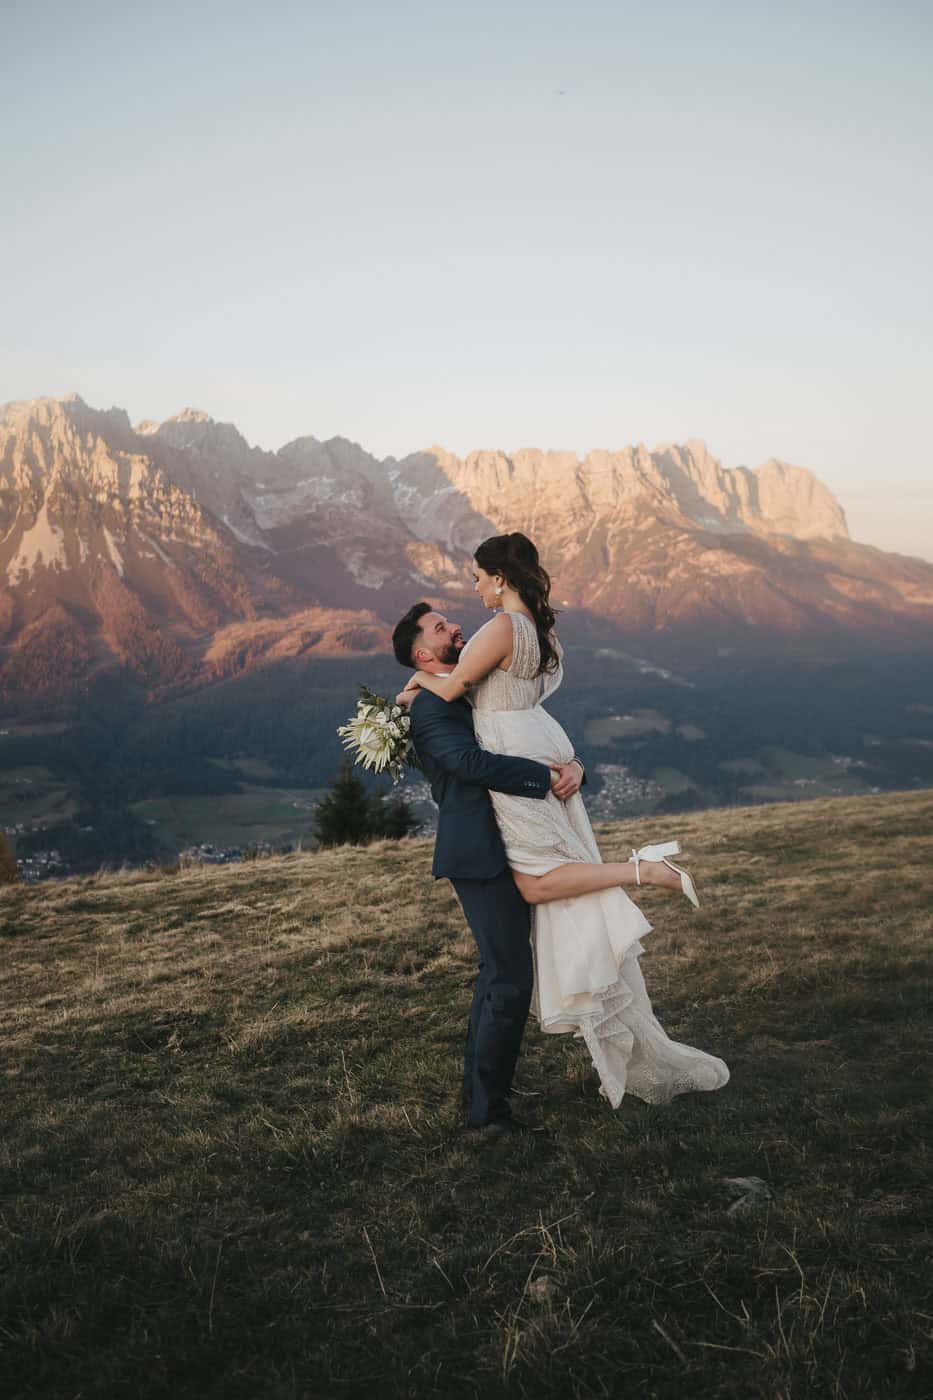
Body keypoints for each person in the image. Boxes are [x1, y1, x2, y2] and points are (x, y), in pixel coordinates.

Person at [394, 532, 729, 1110]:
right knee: (531, 911)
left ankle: (641, 871)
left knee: (530, 901)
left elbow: (455, 699)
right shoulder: (538, 634)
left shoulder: (495, 634)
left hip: (525, 764)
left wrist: (414, 686)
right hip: (530, 760)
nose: (469, 596)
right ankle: (637, 876)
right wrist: (566, 761)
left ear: (500, 578)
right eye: (441, 627)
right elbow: (486, 721)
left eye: (476, 577)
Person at [391, 604, 585, 1136]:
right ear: (423, 654)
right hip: (478, 851)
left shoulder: (459, 687)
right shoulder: (431, 709)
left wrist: (574, 766)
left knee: (499, 974)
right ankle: (488, 1115)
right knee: (509, 979)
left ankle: (482, 1096)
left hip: (504, 843)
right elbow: (467, 764)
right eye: (439, 628)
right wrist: (542, 778)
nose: (455, 627)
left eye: (448, 620)